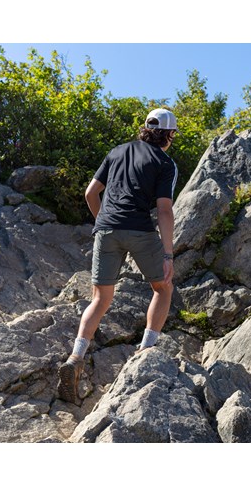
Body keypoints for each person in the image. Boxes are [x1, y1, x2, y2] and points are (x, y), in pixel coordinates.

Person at [56, 108, 179, 404]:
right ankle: (144, 352)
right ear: (169, 135)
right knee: (163, 288)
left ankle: (75, 357)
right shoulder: (165, 163)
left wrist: (105, 223)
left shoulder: (117, 151)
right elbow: (164, 210)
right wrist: (168, 253)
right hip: (139, 229)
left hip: (106, 229)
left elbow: (90, 194)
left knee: (100, 298)